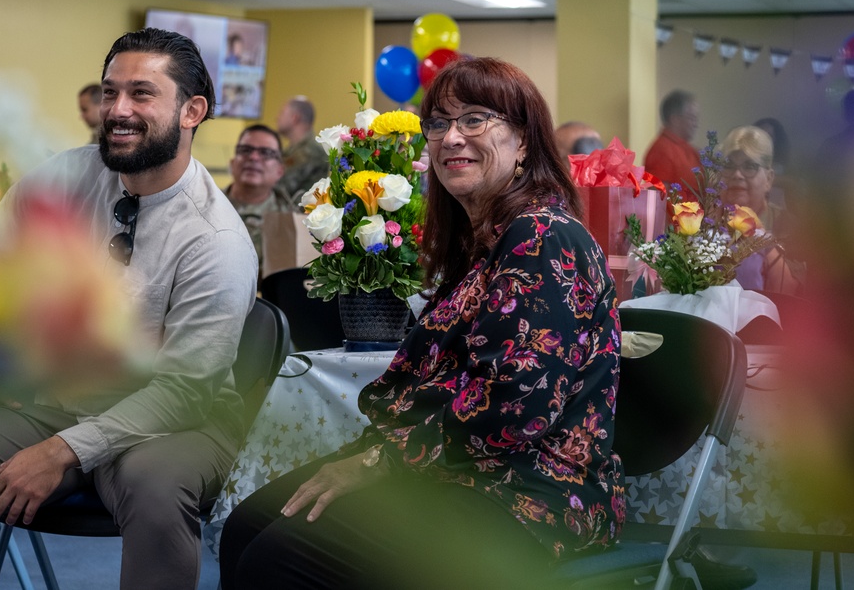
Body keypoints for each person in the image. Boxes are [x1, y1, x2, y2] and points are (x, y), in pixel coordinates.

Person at [219, 57, 625, 589]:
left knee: (278, 559)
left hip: (526, 493)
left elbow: (513, 406)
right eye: (439, 123)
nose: (451, 138)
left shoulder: (542, 237)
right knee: (246, 527)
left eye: (474, 120)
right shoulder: (480, 243)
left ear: (524, 141)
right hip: (451, 469)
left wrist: (376, 465)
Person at [0, 28, 258, 590]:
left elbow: (183, 392)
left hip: (177, 422)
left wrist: (62, 451)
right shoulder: (65, 177)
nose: (118, 110)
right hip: (58, 402)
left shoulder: (216, 238)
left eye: (141, 93)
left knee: (157, 490)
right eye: (110, 92)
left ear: (192, 111)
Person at [716, 125, 803, 294]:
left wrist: (759, 238)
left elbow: (793, 292)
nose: (737, 175)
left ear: (769, 179)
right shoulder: (702, 223)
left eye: (749, 166)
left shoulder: (789, 226)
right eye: (729, 166)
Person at [225, 124, 293, 285]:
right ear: (233, 163)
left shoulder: (293, 221)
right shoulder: (204, 208)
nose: (254, 157)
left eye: (266, 153)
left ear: (280, 171)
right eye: (245, 150)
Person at [644, 90, 701, 200]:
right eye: (691, 118)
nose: (696, 124)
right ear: (675, 119)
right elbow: (658, 200)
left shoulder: (692, 151)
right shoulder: (661, 151)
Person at [276, 95, 327, 200]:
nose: (277, 118)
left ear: (295, 118)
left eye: (282, 113)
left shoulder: (312, 152)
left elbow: (281, 186)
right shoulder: (292, 150)